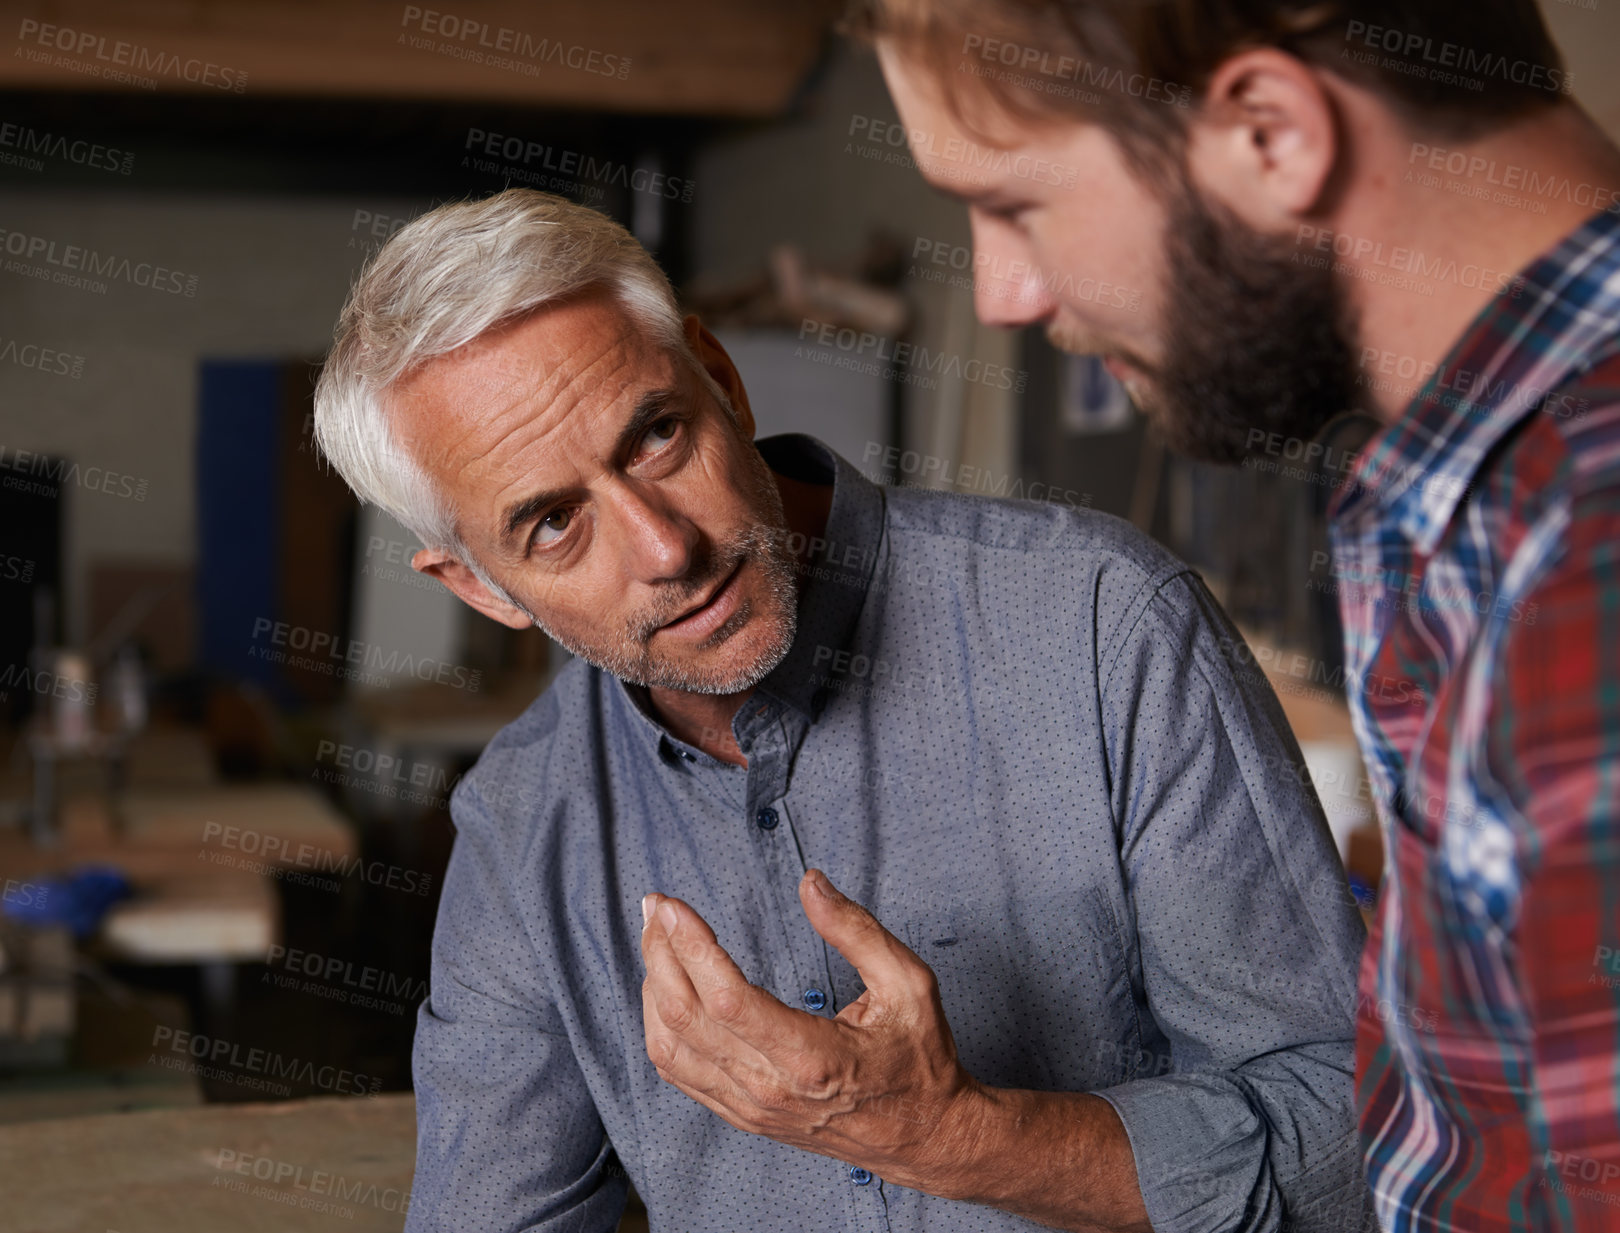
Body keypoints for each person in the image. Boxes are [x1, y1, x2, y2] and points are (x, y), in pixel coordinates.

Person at [313, 187, 1367, 1233]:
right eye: (552, 524)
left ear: (721, 379)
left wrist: (954, 1139)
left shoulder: (1100, 629)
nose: (664, 548)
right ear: (478, 588)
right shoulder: (524, 819)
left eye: (656, 436)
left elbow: (1361, 1136)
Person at [855, 0, 1620, 1228]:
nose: (1000, 291)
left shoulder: (1586, 554)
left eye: (1015, 204)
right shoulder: (1468, 513)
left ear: (1271, 132)